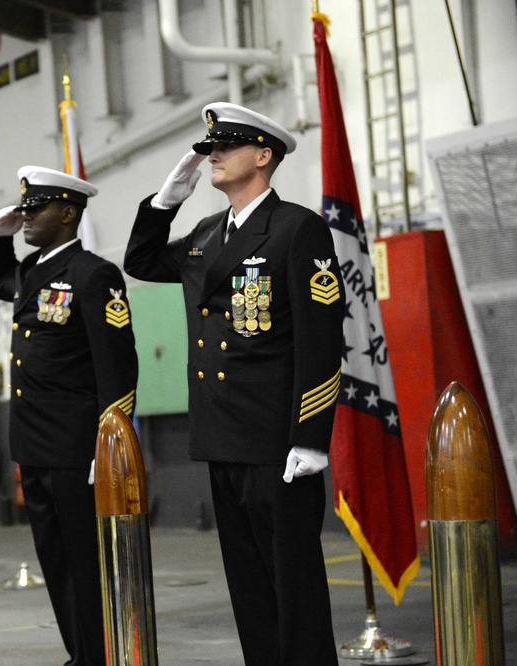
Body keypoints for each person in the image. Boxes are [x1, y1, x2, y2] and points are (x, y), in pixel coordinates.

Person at [123, 102, 344, 665]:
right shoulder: (204, 234)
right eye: (209, 146)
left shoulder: (297, 229)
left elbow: (320, 341)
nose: (212, 154)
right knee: (248, 585)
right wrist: (166, 200)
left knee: (293, 585)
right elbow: (140, 261)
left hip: (277, 441)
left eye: (227, 145)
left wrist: (312, 436)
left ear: (263, 156)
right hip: (221, 437)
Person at [0, 166, 138, 666]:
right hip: (35, 445)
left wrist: (107, 445)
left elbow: (118, 364)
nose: (26, 216)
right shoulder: (33, 272)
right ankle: (81, 653)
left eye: (36, 208)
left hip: (75, 448)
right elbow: (2, 279)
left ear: (68, 213)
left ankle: (101, 655)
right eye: (23, 208)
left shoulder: (93, 274)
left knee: (86, 564)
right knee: (56, 560)